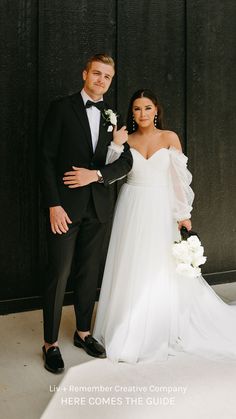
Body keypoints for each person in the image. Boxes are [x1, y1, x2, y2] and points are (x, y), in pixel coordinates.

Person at [93, 88, 236, 363]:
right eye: (137, 108)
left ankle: (162, 321)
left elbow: (178, 179)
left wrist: (183, 213)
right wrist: (115, 144)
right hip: (132, 203)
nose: (142, 113)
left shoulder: (169, 138)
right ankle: (129, 321)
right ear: (131, 113)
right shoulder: (127, 138)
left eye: (147, 108)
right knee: (132, 260)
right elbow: (109, 173)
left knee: (160, 261)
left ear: (156, 110)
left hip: (160, 204)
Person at [40, 53, 133, 373]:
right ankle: (50, 343)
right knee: (59, 273)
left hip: (99, 208)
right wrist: (53, 204)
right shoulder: (61, 108)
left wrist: (96, 176)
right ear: (84, 74)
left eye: (107, 76)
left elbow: (125, 162)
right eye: (96, 74)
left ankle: (83, 332)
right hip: (64, 208)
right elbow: (45, 160)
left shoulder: (113, 114)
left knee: (88, 273)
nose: (101, 80)